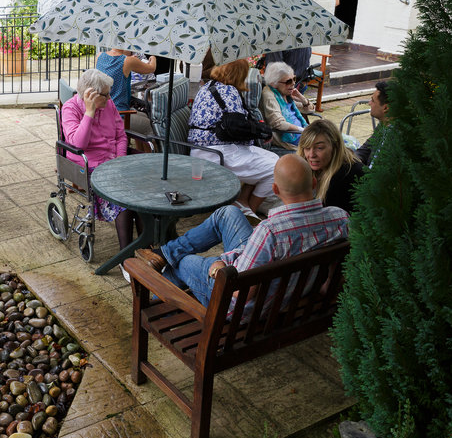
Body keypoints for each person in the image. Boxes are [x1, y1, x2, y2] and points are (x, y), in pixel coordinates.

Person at [137, 154, 349, 307]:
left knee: (184, 262)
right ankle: (164, 254)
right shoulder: (340, 218)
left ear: (274, 190)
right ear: (314, 182)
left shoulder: (270, 231)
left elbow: (240, 293)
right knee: (227, 213)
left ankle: (155, 309)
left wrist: (219, 267)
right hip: (288, 291)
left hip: (243, 309)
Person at [59, 68, 141, 250]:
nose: (110, 98)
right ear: (91, 95)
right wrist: (89, 113)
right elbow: (78, 143)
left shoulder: (109, 105)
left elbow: (121, 135)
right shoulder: (71, 109)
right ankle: (125, 256)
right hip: (89, 167)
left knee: (144, 189)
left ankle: (148, 248)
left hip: (114, 163)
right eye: (105, 95)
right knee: (123, 199)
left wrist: (119, 160)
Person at [188, 59, 278, 215]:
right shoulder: (228, 91)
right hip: (216, 153)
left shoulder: (208, 86)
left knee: (273, 158)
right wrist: (261, 131)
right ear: (239, 74)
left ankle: (242, 200)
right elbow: (238, 126)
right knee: (276, 169)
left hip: (205, 149)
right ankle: (249, 211)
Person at [297, 119, 364, 213]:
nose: (311, 155)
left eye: (319, 148)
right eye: (307, 148)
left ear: (335, 146)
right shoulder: (304, 169)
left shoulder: (349, 175)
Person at [260, 61, 315, 149]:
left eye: (294, 79)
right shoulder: (269, 94)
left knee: (334, 140)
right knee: (330, 145)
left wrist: (302, 99)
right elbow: (278, 123)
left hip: (303, 135)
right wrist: (303, 130)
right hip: (292, 140)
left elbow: (310, 109)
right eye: (288, 81)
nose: (293, 83)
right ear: (274, 83)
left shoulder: (285, 94)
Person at [95, 48, 156, 112]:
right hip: (119, 113)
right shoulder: (127, 60)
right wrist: (153, 57)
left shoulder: (99, 55)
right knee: (148, 120)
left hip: (100, 110)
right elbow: (152, 68)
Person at [355, 81, 392, 167]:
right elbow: (364, 150)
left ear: (385, 108)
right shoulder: (382, 126)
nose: (369, 103)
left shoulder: (397, 136)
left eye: (373, 100)